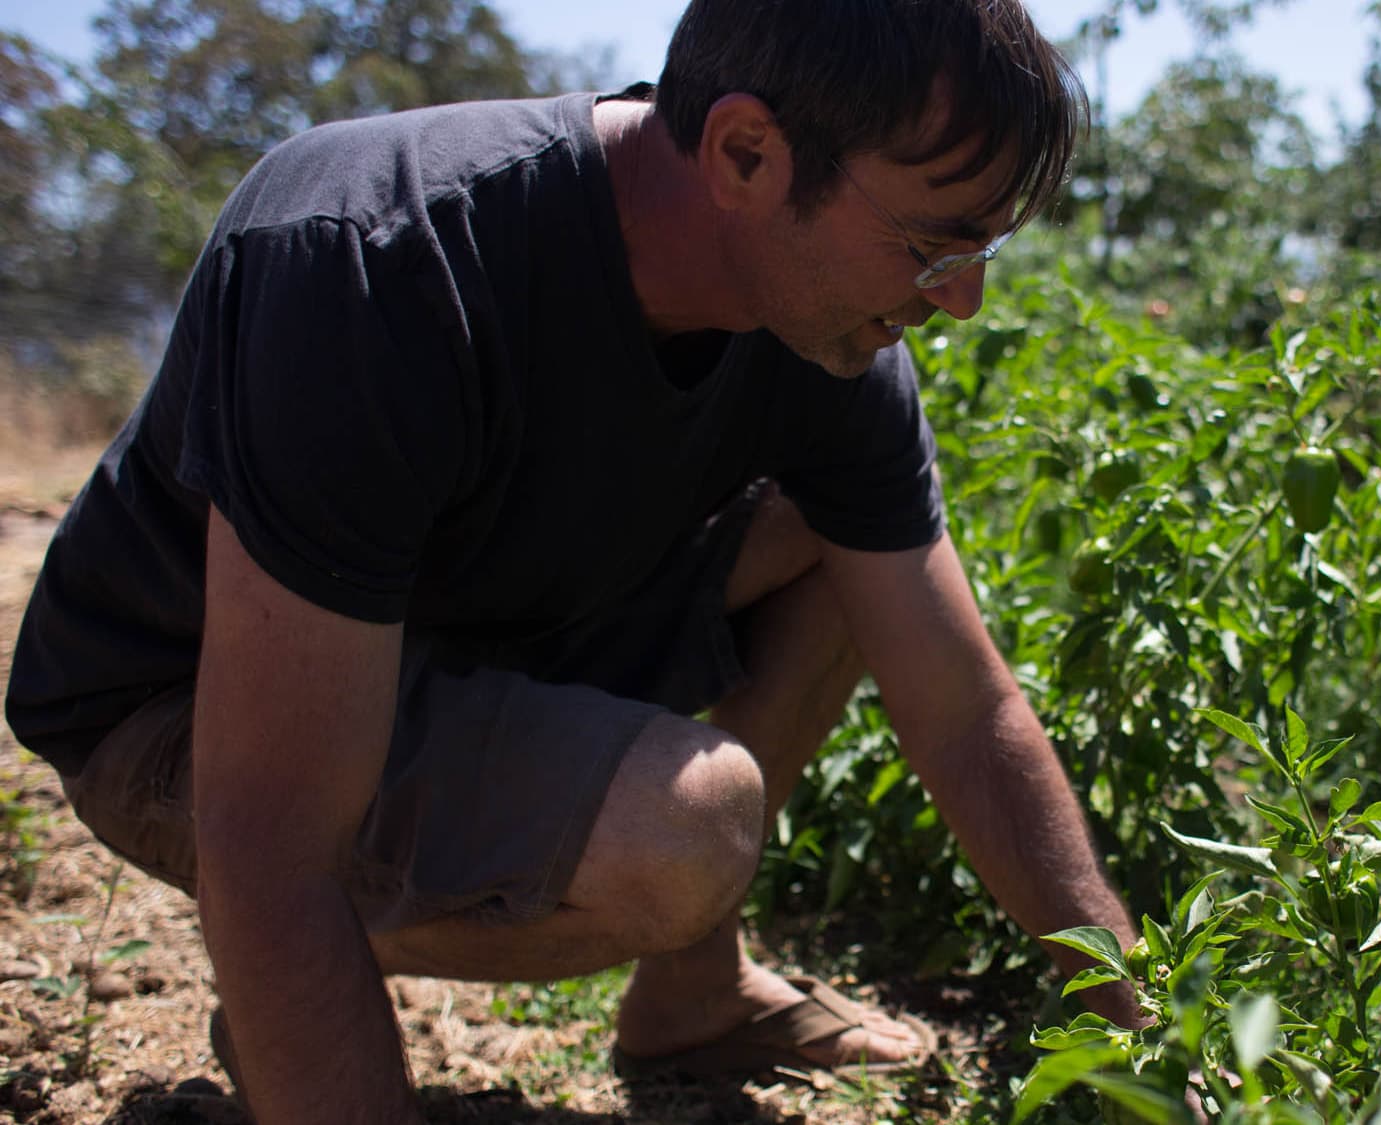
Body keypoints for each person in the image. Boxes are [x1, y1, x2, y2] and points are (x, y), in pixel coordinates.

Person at [2, 0, 1144, 1120]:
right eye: (928, 243)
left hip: (462, 631)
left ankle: (692, 1002)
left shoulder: (826, 341)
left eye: (980, 246)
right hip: (185, 704)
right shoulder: (380, 260)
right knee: (684, 828)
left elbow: (961, 705)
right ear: (746, 152)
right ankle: (284, 989)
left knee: (843, 547)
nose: (962, 297)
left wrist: (1136, 1028)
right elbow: (268, 833)